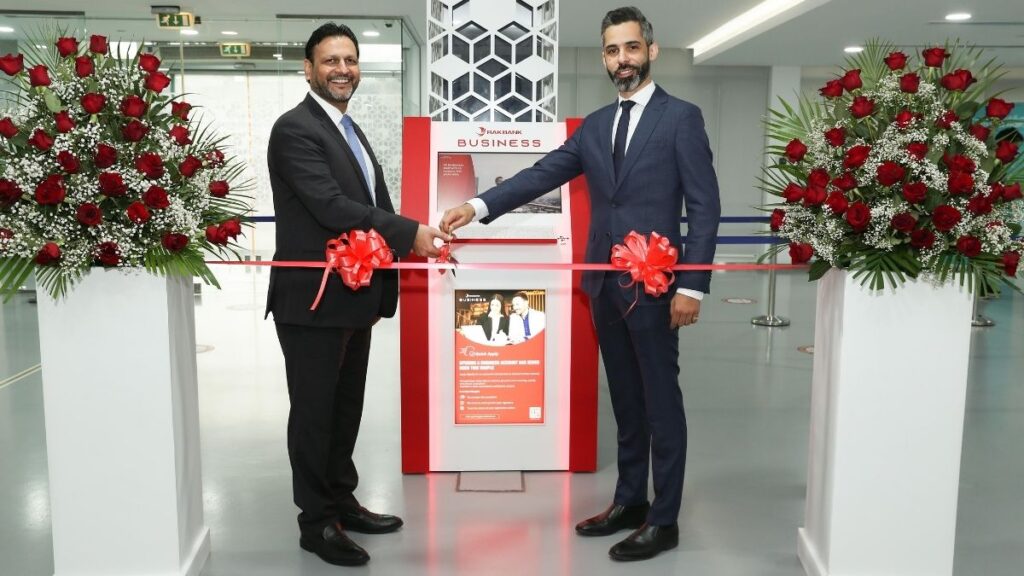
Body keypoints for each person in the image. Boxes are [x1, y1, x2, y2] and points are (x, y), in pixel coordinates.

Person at [440, 6, 720, 562]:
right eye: (613, 51)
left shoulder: (681, 118)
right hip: (604, 289)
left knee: (661, 403)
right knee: (625, 400)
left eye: (632, 48)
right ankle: (629, 502)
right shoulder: (593, 125)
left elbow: (705, 207)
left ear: (651, 50)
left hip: (659, 287)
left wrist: (693, 285)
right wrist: (476, 205)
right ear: (604, 58)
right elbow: (540, 174)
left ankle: (664, 520)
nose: (623, 60)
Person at [265, 22, 449, 567]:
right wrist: (410, 232)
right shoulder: (294, 129)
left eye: (349, 60)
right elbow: (330, 208)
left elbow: (371, 201)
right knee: (314, 413)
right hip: (313, 300)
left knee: (345, 409)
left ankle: (341, 501)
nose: (342, 69)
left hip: (354, 297)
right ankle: (315, 523)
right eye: (329, 61)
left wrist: (403, 241)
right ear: (308, 68)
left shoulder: (350, 129)